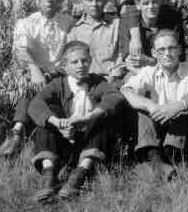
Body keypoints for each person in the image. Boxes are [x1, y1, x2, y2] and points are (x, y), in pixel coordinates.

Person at [28, 41, 124, 202]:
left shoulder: (97, 82)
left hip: (89, 142)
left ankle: (79, 176)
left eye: (84, 60)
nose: (81, 65)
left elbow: (115, 96)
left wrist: (90, 117)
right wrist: (57, 122)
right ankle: (49, 177)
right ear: (65, 66)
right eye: (75, 62)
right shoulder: (58, 84)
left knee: (103, 119)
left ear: (90, 61)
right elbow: (35, 104)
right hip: (63, 143)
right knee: (44, 121)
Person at [0, 0, 75, 159]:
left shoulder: (69, 23)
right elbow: (20, 50)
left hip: (60, 76)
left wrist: (53, 73)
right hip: (34, 75)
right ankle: (17, 136)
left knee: (39, 85)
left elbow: (72, 53)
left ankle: (16, 132)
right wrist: (34, 68)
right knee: (32, 84)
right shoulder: (26, 23)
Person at [121, 30, 188, 179]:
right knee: (142, 110)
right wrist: (151, 106)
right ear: (154, 53)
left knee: (186, 109)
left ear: (180, 50)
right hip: (159, 126)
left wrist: (177, 106)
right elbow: (127, 90)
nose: (167, 54)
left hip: (186, 132)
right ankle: (157, 160)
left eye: (172, 48)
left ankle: (165, 159)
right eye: (161, 50)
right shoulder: (148, 72)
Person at [67, 0, 125, 82]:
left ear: (105, 0)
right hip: (83, 81)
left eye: (98, 0)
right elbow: (70, 60)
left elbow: (122, 56)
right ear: (82, 1)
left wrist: (113, 77)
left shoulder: (116, 25)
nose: (94, 4)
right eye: (89, 0)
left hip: (110, 81)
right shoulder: (74, 29)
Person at [118, 0, 181, 75]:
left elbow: (174, 56)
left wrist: (149, 60)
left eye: (154, 2)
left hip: (167, 71)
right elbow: (130, 59)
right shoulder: (129, 23)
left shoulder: (170, 21)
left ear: (160, 2)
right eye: (146, 3)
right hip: (138, 72)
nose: (151, 7)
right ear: (138, 5)